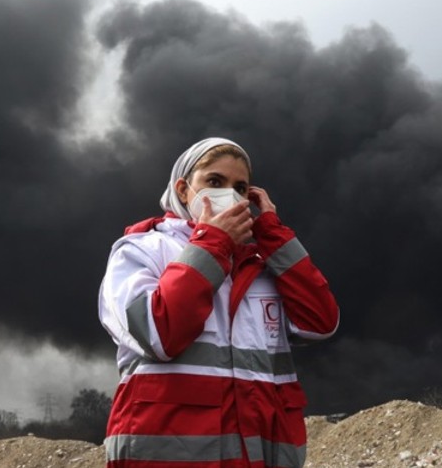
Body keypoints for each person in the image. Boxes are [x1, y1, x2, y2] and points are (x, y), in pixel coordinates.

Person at [98, 137, 340, 468]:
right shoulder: (143, 251)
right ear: (183, 190)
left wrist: (273, 235)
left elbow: (321, 322)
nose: (229, 195)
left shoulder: (261, 265)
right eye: (214, 181)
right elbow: (157, 333)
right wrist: (213, 244)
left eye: (241, 188)